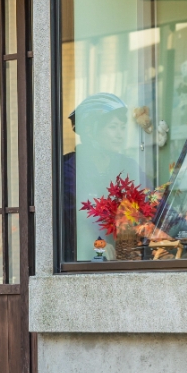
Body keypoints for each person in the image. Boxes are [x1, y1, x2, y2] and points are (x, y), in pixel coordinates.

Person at [61, 93, 145, 261]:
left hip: (126, 257)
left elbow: (151, 199)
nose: (120, 134)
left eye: (122, 127)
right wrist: (99, 245)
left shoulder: (127, 165)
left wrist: (182, 229)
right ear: (90, 132)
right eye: (113, 127)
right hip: (81, 262)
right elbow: (78, 217)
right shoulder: (69, 169)